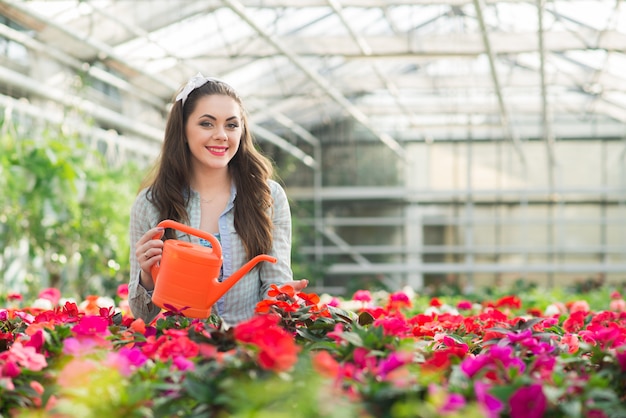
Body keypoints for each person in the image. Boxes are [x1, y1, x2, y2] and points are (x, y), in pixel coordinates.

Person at [128, 73, 307, 325]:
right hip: (181, 353)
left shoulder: (267, 196)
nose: (222, 135)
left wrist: (282, 299)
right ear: (183, 130)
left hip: (247, 351)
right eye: (207, 124)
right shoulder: (150, 203)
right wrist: (147, 277)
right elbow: (143, 316)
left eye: (231, 125)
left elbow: (275, 283)